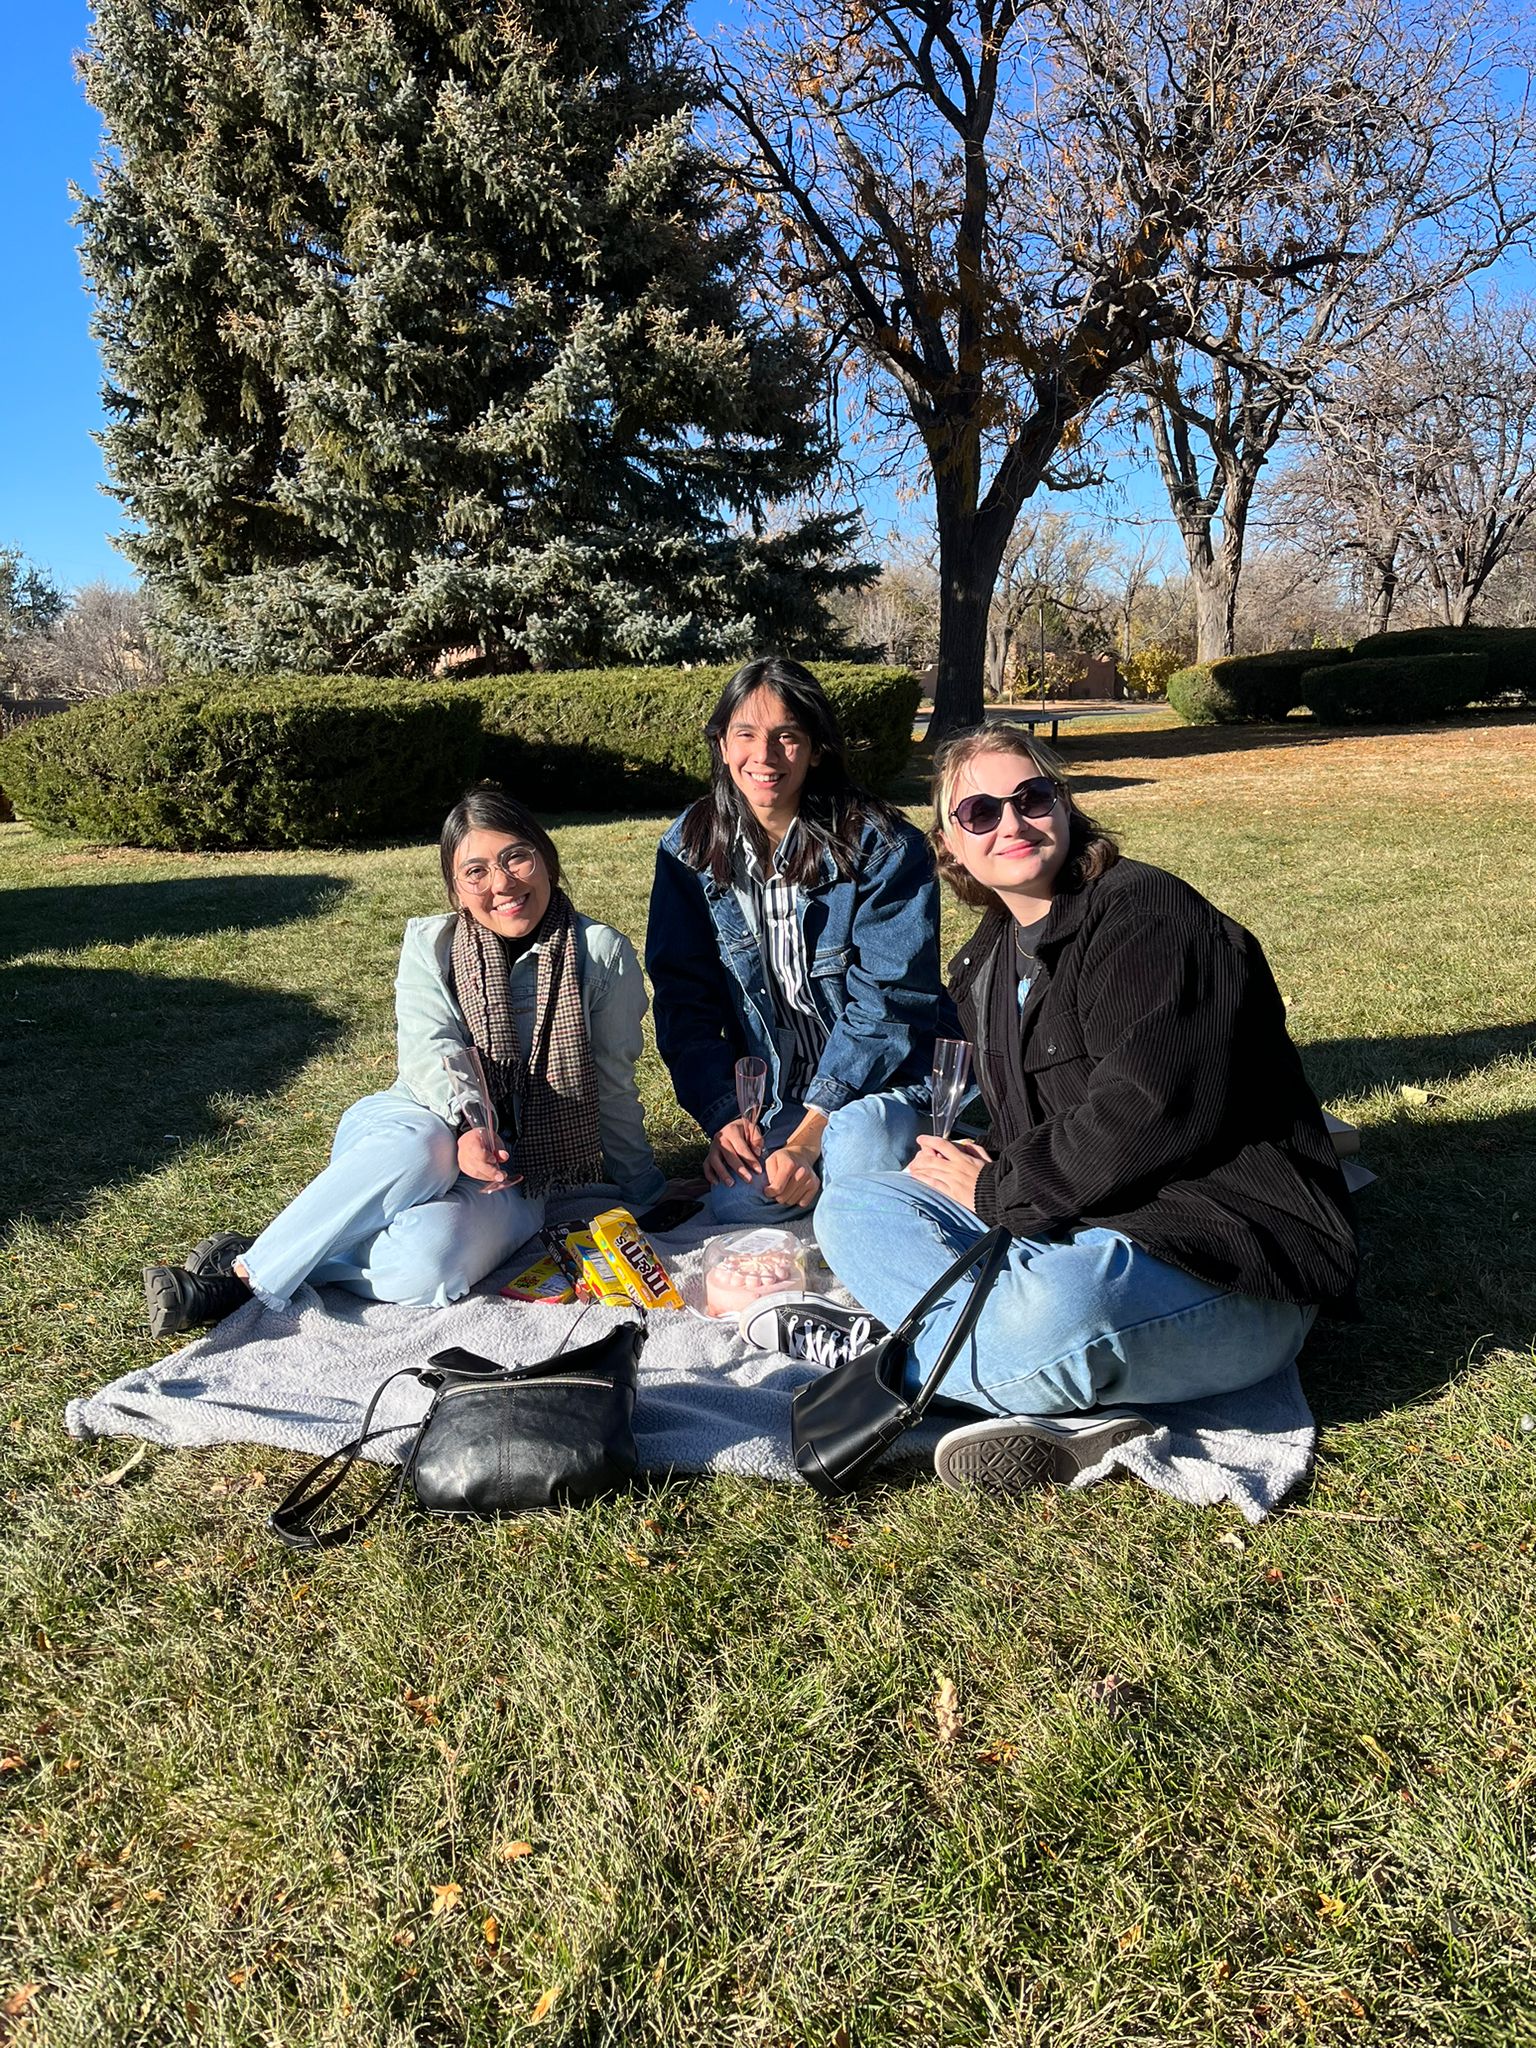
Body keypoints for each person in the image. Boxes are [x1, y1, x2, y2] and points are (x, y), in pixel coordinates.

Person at [798, 723, 1359, 1493]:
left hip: (1219, 1260)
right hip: (1080, 1224)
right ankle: (1018, 1381)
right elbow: (1040, 1118)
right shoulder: (988, 963)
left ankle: (921, 1358)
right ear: (950, 844)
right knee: (853, 1208)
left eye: (1033, 797)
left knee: (1055, 1310)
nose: (1013, 823)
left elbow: (1150, 1110)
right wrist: (989, 1163)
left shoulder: (1149, 917)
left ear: (1065, 806)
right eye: (980, 813)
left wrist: (996, 1189)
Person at [143, 786, 666, 1336]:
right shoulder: (431, 943)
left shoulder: (601, 953)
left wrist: (645, 1188)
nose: (503, 884)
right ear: (456, 887)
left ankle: (281, 1250)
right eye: (476, 871)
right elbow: (430, 1050)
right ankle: (242, 1281)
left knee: (428, 1264)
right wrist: (469, 1126)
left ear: (545, 857)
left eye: (516, 856)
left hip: (517, 1167)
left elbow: (612, 1082)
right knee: (426, 1150)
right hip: (412, 1122)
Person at [646, 655, 943, 1224]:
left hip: (882, 1077)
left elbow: (888, 1006)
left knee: (858, 1159)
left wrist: (811, 1137)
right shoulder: (688, 847)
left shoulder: (882, 847)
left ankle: (903, 1167)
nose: (765, 756)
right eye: (746, 735)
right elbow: (685, 1001)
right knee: (740, 1202)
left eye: (787, 737)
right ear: (721, 743)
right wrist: (725, 1119)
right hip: (778, 1087)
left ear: (815, 748)